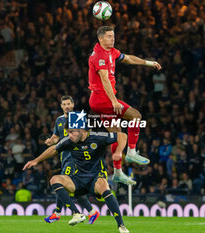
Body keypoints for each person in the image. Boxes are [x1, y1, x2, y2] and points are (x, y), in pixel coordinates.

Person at [88, 26, 162, 184]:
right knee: (136, 116)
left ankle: (117, 171)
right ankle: (132, 151)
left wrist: (149, 63)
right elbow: (104, 79)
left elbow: (128, 59)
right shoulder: (99, 55)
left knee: (118, 135)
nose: (112, 39)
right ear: (100, 39)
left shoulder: (111, 51)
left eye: (113, 36)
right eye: (108, 36)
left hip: (99, 101)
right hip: (103, 99)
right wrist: (114, 100)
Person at [23, 126, 130, 233]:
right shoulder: (69, 141)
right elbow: (53, 149)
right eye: (68, 132)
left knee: (103, 185)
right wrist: (36, 161)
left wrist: (119, 151)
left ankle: (121, 226)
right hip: (78, 179)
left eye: (71, 132)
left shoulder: (97, 137)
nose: (69, 135)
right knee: (55, 179)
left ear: (82, 130)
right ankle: (76, 213)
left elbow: (123, 135)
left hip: (95, 178)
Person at [43, 95, 99, 224]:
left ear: (73, 104)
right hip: (64, 157)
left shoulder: (79, 117)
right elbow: (56, 137)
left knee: (61, 183)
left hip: (76, 157)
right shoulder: (59, 120)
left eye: (69, 104)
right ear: (61, 106)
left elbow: (86, 135)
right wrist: (51, 141)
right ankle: (92, 212)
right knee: (69, 187)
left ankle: (61, 213)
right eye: (64, 104)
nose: (67, 106)